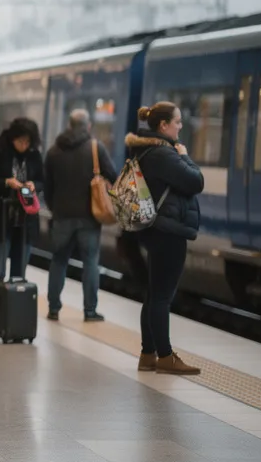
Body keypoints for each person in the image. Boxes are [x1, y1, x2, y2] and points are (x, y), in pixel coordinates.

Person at [127, 102, 204, 376]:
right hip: (168, 231)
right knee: (161, 297)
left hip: (156, 229)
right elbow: (196, 182)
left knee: (153, 295)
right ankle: (165, 356)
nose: (181, 126)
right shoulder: (164, 154)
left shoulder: (148, 150)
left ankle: (148, 354)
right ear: (164, 126)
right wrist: (184, 156)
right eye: (178, 122)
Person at [44, 109, 117, 322]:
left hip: (61, 216)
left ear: (69, 125)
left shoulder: (54, 151)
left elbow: (47, 187)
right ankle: (90, 310)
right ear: (88, 126)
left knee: (58, 261)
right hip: (89, 217)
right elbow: (113, 176)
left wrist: (55, 208)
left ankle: (54, 308)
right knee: (91, 262)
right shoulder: (95, 148)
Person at [0, 117, 44, 339]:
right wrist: (7, 182)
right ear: (12, 137)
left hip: (25, 223)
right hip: (0, 220)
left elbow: (43, 181)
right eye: (21, 141)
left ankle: (13, 322)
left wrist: (35, 185)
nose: (24, 145)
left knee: (19, 274)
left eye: (28, 142)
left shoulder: (34, 155)